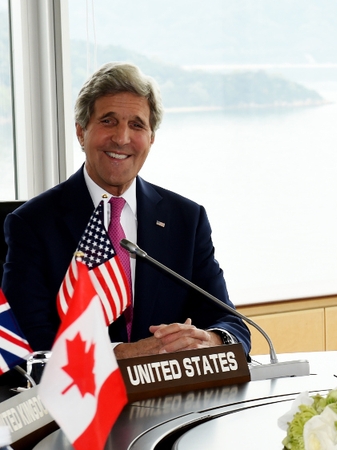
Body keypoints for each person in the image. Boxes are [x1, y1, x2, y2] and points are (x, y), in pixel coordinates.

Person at [2, 62, 251, 358]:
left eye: (136, 125)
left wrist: (207, 340)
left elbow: (232, 324)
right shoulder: (32, 224)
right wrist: (123, 354)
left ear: (151, 138)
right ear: (81, 132)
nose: (121, 138)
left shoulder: (186, 218)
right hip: (80, 399)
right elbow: (29, 344)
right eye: (108, 121)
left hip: (176, 398)